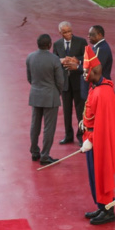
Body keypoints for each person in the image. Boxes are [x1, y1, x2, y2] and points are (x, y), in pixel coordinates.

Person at [79, 46, 115, 225]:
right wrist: (84, 123)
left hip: (99, 142)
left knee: (102, 175)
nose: (83, 74)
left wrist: (90, 140)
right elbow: (92, 114)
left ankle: (108, 210)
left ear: (95, 71)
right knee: (95, 175)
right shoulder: (95, 87)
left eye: (85, 71)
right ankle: (101, 206)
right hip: (92, 139)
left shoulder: (102, 92)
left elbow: (103, 124)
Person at [26, 33, 64, 165]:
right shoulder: (54, 59)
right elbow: (60, 81)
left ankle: (34, 151)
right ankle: (45, 155)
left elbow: (29, 78)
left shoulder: (30, 57)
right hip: (50, 96)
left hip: (36, 95)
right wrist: (57, 92)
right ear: (49, 45)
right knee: (49, 127)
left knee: (34, 124)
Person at [53, 21, 87, 145]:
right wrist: (61, 60)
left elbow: (87, 57)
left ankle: (81, 136)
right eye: (65, 32)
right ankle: (68, 135)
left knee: (80, 111)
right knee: (66, 111)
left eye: (69, 31)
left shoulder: (81, 41)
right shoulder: (57, 44)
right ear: (60, 33)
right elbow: (54, 59)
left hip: (78, 81)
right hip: (65, 83)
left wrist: (76, 60)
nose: (68, 34)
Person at [80, 25, 113, 100]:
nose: (88, 36)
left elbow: (95, 70)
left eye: (91, 34)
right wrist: (78, 62)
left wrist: (77, 66)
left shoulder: (100, 49)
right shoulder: (98, 47)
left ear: (100, 35)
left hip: (99, 86)